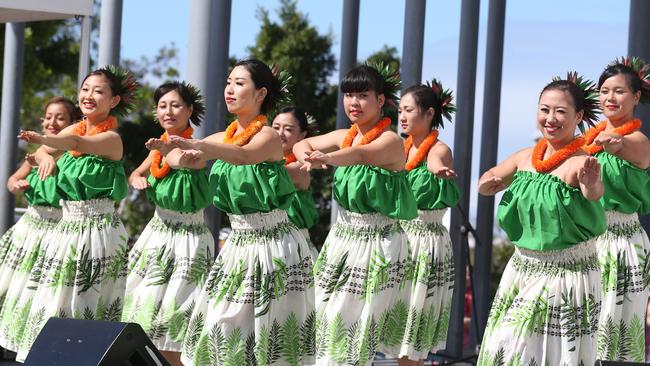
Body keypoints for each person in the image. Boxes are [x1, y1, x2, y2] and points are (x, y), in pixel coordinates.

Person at [162, 59, 314, 366]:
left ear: (260, 94)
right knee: (221, 327)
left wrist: (200, 148)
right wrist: (172, 154)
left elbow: (243, 156)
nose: (230, 89)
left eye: (239, 83)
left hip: (273, 246)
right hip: (239, 245)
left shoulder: (268, 136)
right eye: (229, 82)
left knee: (267, 338)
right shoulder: (221, 138)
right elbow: (188, 158)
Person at [476, 73, 606, 365]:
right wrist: (488, 183)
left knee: (526, 348)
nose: (551, 118)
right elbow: (491, 177)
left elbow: (594, 193)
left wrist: (590, 182)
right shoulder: (525, 157)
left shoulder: (580, 162)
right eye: (545, 109)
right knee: (505, 347)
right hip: (522, 267)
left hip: (565, 272)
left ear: (578, 116)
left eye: (560, 111)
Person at [293, 64, 417, 365]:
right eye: (349, 95)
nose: (354, 102)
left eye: (363, 95)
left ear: (381, 100)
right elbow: (301, 143)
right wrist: (307, 157)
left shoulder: (389, 141)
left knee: (349, 329)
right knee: (320, 319)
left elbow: (361, 155)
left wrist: (328, 157)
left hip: (377, 245)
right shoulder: (345, 135)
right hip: (342, 240)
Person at [16, 65, 137, 361]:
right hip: (67, 228)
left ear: (114, 101)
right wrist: (45, 156)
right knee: (54, 301)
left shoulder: (112, 139)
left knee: (86, 300)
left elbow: (76, 143)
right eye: (85, 89)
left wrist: (45, 141)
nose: (89, 95)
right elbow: (56, 147)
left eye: (98, 91)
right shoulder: (76, 127)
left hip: (98, 229)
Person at [121, 81, 214, 366]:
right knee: (143, 309)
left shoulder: (198, 146)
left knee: (178, 312)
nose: (168, 111)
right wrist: (137, 177)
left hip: (189, 237)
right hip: (158, 233)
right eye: (162, 106)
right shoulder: (156, 149)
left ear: (189, 109)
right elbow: (138, 171)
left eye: (175, 105)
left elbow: (184, 161)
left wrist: (166, 149)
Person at [582, 57, 650, 362]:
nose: (610, 97)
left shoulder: (638, 140)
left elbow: (622, 145)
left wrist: (611, 142)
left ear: (636, 97)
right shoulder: (585, 141)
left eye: (619, 91)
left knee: (616, 344)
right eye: (605, 90)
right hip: (585, 243)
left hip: (621, 244)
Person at [0, 97, 79, 352]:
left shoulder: (71, 152)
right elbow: (13, 180)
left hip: (58, 228)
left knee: (39, 294)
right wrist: (16, 185)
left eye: (60, 118)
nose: (52, 122)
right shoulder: (37, 152)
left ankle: (31, 347)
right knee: (10, 287)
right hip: (29, 227)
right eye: (49, 117)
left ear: (71, 123)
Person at [391, 80, 459, 365]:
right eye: (400, 111)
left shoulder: (438, 150)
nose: (403, 117)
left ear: (429, 114)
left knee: (411, 333)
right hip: (398, 236)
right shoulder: (400, 148)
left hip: (423, 242)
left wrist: (438, 170)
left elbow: (435, 161)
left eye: (409, 110)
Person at [271, 107, 319, 252]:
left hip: (293, 245)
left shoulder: (300, 167)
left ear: (302, 135)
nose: (280, 133)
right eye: (276, 127)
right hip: (267, 242)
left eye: (288, 129)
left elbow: (270, 173)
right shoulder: (270, 162)